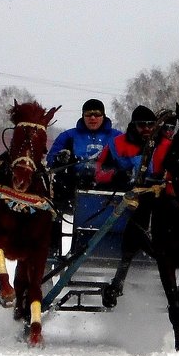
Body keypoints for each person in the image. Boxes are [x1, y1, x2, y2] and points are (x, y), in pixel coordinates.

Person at [94, 105, 172, 305]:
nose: (146, 129)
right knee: (137, 222)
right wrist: (116, 175)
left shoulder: (166, 145)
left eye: (150, 125)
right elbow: (99, 171)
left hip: (159, 199)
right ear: (132, 126)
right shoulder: (117, 144)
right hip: (127, 198)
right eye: (141, 125)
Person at [46, 98, 121, 253]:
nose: (92, 118)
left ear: (103, 116)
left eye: (96, 114)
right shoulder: (68, 136)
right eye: (88, 114)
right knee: (50, 212)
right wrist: (60, 158)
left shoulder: (117, 137)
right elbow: (51, 159)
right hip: (72, 189)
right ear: (83, 116)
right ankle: (52, 250)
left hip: (108, 190)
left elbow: (129, 160)